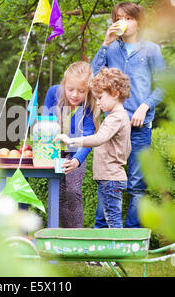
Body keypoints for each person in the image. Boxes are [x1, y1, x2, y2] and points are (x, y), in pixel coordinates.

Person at [90, 2, 166, 228]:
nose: (124, 22)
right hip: (112, 125)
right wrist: (104, 43)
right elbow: (94, 77)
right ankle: (102, 234)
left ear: (139, 21)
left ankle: (132, 236)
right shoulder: (111, 49)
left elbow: (162, 86)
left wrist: (145, 106)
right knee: (106, 181)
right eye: (119, 18)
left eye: (129, 18)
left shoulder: (152, 50)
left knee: (136, 184)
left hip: (141, 127)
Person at [55, 67, 131, 228]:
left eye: (100, 97)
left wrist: (71, 141)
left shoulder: (115, 118)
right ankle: (110, 250)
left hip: (111, 179)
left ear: (115, 94)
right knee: (106, 219)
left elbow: (98, 138)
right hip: (108, 179)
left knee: (112, 221)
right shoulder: (117, 116)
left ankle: (118, 250)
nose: (97, 102)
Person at [42, 61, 100, 228]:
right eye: (70, 89)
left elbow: (89, 137)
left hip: (76, 152)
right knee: (58, 192)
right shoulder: (54, 93)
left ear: (88, 90)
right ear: (64, 85)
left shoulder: (89, 104)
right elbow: (47, 121)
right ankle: (59, 232)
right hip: (55, 150)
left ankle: (75, 233)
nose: (75, 94)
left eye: (81, 91)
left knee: (73, 191)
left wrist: (76, 160)